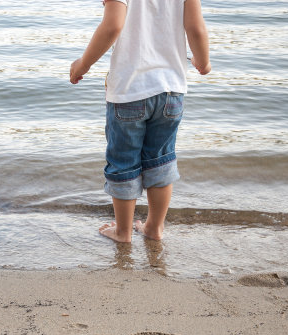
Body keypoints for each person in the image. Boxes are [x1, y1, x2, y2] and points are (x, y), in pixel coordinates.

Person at [70, 0, 211, 243]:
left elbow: (112, 25)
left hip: (129, 90)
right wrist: (203, 61)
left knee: (123, 162)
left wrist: (82, 65)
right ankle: (153, 229)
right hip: (171, 89)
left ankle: (123, 232)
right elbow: (195, 28)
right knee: (161, 160)